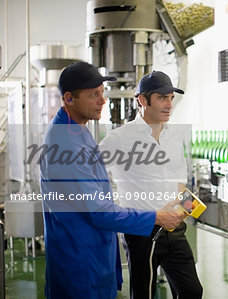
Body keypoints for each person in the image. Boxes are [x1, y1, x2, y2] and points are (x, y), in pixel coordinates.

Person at [39, 61, 186, 299]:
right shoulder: (64, 143)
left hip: (94, 254)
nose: (103, 100)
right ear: (69, 98)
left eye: (102, 92)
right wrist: (156, 217)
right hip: (80, 263)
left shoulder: (78, 129)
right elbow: (99, 212)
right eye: (93, 94)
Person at [99, 70, 203, 299]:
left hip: (174, 229)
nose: (169, 104)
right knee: (143, 294)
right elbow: (90, 174)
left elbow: (179, 181)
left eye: (171, 98)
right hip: (143, 231)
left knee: (192, 291)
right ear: (143, 100)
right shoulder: (120, 138)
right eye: (162, 98)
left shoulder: (173, 136)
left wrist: (185, 209)